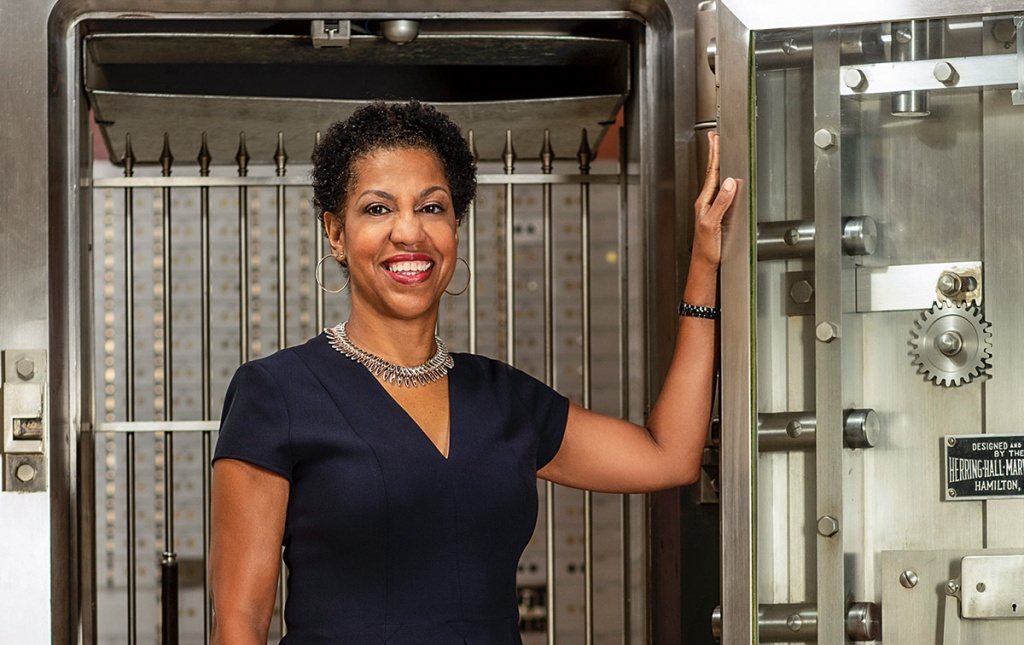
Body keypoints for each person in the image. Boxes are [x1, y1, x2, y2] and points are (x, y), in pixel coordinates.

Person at [209, 100, 737, 644]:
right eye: (377, 208)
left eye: (431, 207)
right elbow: (239, 623)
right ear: (336, 234)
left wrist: (703, 267)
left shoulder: (502, 397)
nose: (409, 231)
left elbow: (669, 456)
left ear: (455, 227)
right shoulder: (276, 394)